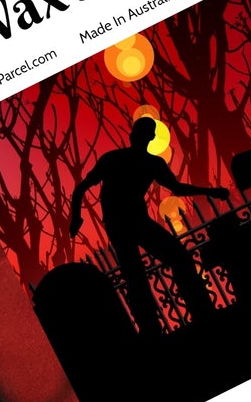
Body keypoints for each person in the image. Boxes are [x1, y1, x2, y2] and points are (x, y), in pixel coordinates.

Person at [68, 117, 228, 335]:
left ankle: (195, 312)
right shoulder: (118, 160)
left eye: (143, 132)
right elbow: (81, 188)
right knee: (140, 274)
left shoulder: (146, 163)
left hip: (134, 222)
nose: (139, 136)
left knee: (168, 262)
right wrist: (76, 216)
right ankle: (155, 327)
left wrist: (211, 191)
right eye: (139, 131)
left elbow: (177, 188)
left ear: (147, 137)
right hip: (121, 224)